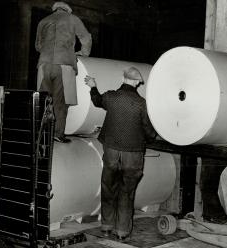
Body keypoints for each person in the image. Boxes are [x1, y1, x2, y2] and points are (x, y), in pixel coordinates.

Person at [84, 67, 157, 240]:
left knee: (108, 186)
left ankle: (107, 226)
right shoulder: (141, 103)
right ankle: (122, 231)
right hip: (132, 153)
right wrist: (153, 137)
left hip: (111, 150)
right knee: (127, 191)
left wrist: (93, 86)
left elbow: (97, 100)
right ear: (137, 83)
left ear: (123, 78)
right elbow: (148, 131)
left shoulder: (111, 97)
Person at [35, 1, 92, 143]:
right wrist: (83, 53)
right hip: (64, 65)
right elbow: (86, 38)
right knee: (61, 101)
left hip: (44, 65)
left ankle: (42, 134)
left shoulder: (43, 21)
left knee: (44, 101)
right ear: (68, 10)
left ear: (55, 10)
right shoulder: (73, 19)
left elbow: (38, 45)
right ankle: (58, 134)